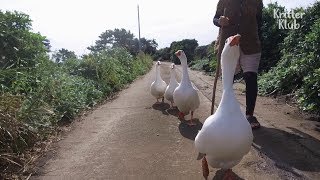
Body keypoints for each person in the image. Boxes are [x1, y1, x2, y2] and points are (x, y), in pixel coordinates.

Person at [213, 0, 263, 129]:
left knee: (251, 77)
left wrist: (258, 37)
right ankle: (226, 113)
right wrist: (220, 21)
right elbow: (215, 18)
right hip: (229, 42)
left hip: (251, 43)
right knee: (228, 79)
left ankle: (249, 115)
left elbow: (260, 21)